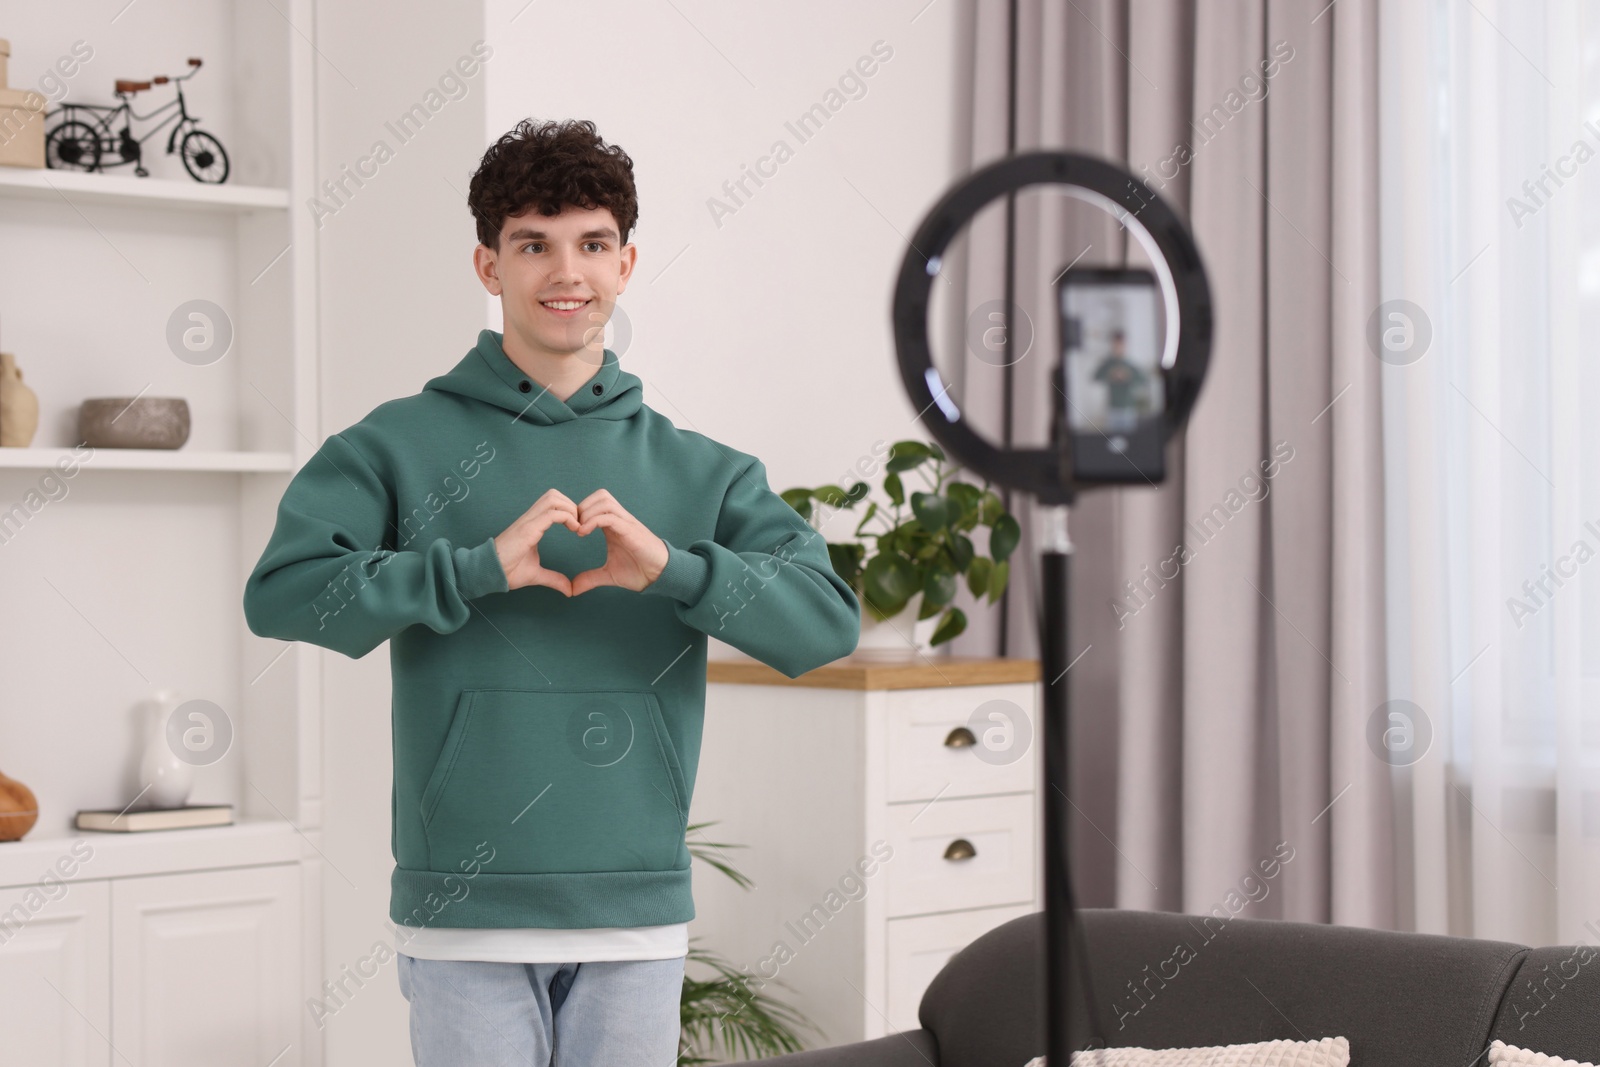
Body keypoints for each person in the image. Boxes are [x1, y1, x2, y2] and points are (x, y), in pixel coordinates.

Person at [241, 117, 860, 1065]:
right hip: (464, 910)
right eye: (534, 244)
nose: (565, 272)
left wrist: (675, 570)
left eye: (592, 244)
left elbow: (824, 625)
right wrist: (473, 569)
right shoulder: (397, 443)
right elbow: (283, 594)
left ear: (626, 262)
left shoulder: (705, 471)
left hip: (634, 910)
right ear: (489, 265)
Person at [1092, 328, 1149, 432]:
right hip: (1113, 408)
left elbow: (1143, 380)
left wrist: (1128, 377)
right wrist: (1110, 375)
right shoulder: (1108, 364)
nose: (1118, 347)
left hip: (1128, 408)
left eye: (1120, 344)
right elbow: (1095, 377)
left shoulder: (1129, 364)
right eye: (1116, 344)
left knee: (1129, 437)